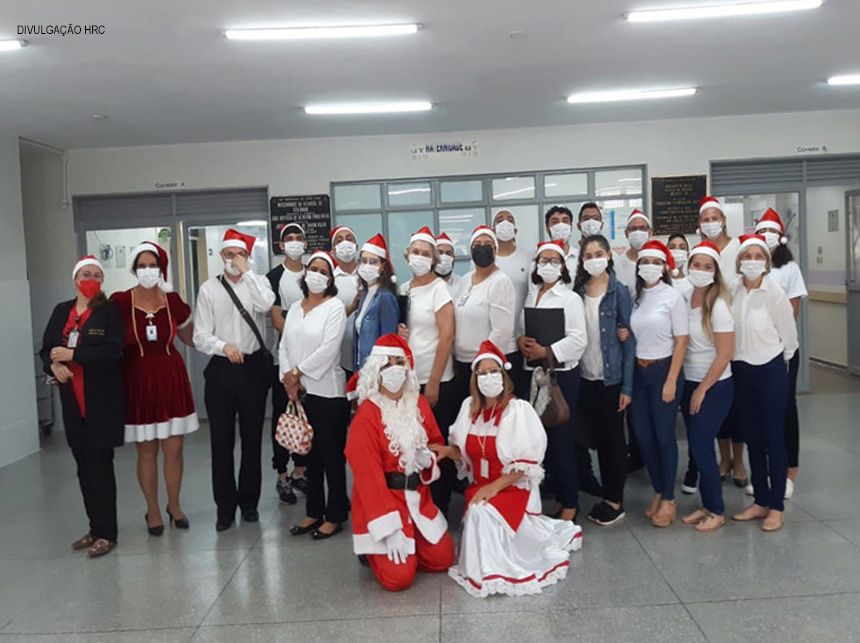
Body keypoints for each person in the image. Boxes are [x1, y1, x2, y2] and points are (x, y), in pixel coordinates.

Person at [433, 340, 583, 598]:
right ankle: (484, 566)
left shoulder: (518, 411)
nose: (488, 378)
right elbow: (466, 453)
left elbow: (526, 466)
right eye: (482, 373)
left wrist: (494, 487)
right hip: (482, 486)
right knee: (480, 508)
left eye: (494, 372)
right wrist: (448, 451)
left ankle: (496, 571)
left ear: (503, 375)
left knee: (480, 512)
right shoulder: (469, 409)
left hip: (512, 486)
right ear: (475, 379)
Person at [344, 334, 455, 591]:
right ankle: (376, 548)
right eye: (387, 364)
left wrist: (428, 457)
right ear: (376, 370)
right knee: (399, 579)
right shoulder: (367, 415)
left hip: (418, 497)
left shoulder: (419, 404)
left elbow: (436, 443)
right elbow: (367, 477)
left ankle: (412, 541)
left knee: (443, 559)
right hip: (384, 501)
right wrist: (388, 528)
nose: (394, 369)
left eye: (399, 363)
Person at [111, 242, 198, 536]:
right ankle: (153, 510)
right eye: (142, 265)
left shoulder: (173, 300)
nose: (148, 270)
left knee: (174, 449)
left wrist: (224, 341)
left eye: (153, 265)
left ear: (162, 268)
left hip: (171, 377)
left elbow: (190, 337)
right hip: (137, 379)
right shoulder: (120, 302)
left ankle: (174, 505)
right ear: (135, 268)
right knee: (146, 451)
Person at [40, 256, 124, 557]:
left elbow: (113, 352)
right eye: (85, 274)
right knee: (83, 467)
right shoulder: (61, 310)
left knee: (101, 466)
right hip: (72, 401)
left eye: (96, 274)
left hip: (101, 401)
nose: (91, 278)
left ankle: (108, 533)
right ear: (75, 278)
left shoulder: (109, 312)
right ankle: (94, 527)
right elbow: (47, 349)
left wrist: (73, 355)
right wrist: (54, 367)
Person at [193, 229, 275, 531]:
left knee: (252, 439)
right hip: (222, 368)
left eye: (238, 255)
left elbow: (266, 305)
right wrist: (222, 347)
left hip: (253, 369)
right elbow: (200, 334)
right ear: (220, 257)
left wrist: (248, 273)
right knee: (221, 441)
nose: (233, 260)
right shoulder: (209, 289)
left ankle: (249, 503)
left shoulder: (259, 283)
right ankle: (224, 508)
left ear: (247, 257)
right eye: (228, 255)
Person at [730, 234, 798, 532]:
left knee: (773, 438)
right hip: (740, 369)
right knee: (752, 437)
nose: (753, 261)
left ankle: (776, 507)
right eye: (747, 256)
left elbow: (789, 337)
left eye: (759, 256)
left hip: (770, 369)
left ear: (767, 262)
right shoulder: (732, 290)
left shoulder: (774, 293)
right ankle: (759, 500)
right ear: (739, 262)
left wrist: (777, 363)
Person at [281, 250, 351, 540]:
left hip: (328, 393)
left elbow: (329, 349)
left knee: (331, 457)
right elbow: (284, 344)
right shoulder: (296, 307)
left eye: (324, 271)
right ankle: (313, 512)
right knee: (308, 457)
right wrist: (288, 377)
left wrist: (296, 373)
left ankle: (334, 516)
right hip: (300, 393)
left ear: (331, 279)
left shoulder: (335, 307)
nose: (317, 275)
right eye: (314, 268)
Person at [518, 241, 587, 522]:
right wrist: (521, 341)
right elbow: (524, 329)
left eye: (554, 260)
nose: (548, 265)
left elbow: (579, 339)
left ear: (563, 266)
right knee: (543, 440)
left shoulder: (570, 298)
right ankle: (558, 495)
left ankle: (571, 501)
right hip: (534, 374)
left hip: (561, 376)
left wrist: (547, 352)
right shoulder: (532, 294)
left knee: (563, 440)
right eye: (543, 260)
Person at [573, 235, 635, 526]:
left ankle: (614, 499)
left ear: (609, 255)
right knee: (592, 437)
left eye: (599, 253)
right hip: (585, 376)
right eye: (588, 255)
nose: (594, 259)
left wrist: (627, 387)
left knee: (613, 441)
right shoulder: (579, 291)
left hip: (611, 379)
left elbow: (628, 340)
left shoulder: (618, 292)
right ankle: (602, 488)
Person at [629, 239, 689, 528]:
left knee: (664, 437)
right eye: (644, 262)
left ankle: (669, 497)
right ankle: (657, 488)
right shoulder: (635, 296)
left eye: (655, 262)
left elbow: (681, 340)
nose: (649, 267)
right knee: (643, 436)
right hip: (638, 375)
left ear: (664, 267)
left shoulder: (672, 297)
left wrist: (672, 379)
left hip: (664, 371)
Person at [398, 227, 457, 513]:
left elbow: (446, 336)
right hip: (408, 380)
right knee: (413, 442)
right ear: (407, 255)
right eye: (416, 252)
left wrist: (433, 382)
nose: (419, 257)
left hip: (436, 379)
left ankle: (440, 504)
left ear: (433, 259)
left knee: (435, 442)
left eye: (425, 253)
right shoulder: (404, 289)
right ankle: (418, 500)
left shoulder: (439, 289)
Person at [678, 241, 734, 532]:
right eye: (695, 265)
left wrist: (702, 389)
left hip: (714, 386)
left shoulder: (719, 305)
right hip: (688, 381)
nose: (700, 271)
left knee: (701, 445)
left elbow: (725, 354)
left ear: (715, 272)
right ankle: (707, 502)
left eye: (707, 266)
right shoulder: (685, 298)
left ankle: (717, 509)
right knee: (699, 450)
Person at [755, 208, 807, 498]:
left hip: (782, 351)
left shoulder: (789, 269)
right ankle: (763, 471)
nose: (766, 237)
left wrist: (778, 342)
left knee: (786, 408)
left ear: (781, 236)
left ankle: (789, 473)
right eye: (761, 231)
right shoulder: (754, 266)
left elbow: (793, 311)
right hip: (755, 353)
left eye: (771, 231)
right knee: (761, 411)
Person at [266, 223, 308, 505]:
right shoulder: (274, 277)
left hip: (310, 362)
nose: (294, 242)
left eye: (298, 238)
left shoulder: (314, 273)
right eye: (288, 239)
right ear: (281, 246)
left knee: (306, 417)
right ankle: (282, 474)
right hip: (282, 359)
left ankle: (300, 471)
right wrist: (301, 339)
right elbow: (277, 319)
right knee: (284, 416)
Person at [453, 225, 516, 408]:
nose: (482, 247)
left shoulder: (499, 281)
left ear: (495, 249)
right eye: (477, 244)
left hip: (483, 367)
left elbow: (502, 331)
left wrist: (485, 364)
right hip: (462, 362)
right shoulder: (465, 280)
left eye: (488, 243)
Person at [494, 210, 534, 398]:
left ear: (515, 229)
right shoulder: (487, 260)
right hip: (496, 340)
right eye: (500, 220)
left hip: (523, 339)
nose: (505, 223)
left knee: (521, 396)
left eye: (510, 219)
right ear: (493, 229)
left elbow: (534, 295)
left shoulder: (528, 257)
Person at [354, 234, 400, 371]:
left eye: (373, 262)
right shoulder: (364, 294)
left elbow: (388, 343)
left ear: (382, 267)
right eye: (364, 261)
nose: (367, 266)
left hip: (376, 372)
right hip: (361, 368)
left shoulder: (385, 297)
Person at [331, 225, 361, 377]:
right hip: (339, 358)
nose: (345, 243)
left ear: (356, 247)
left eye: (349, 239)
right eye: (339, 240)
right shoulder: (329, 282)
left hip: (367, 356)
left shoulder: (368, 274)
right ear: (334, 250)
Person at [613, 209, 652, 292]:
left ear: (650, 232)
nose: (638, 232)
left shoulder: (657, 262)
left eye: (642, 228)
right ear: (626, 233)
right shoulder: (618, 263)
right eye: (634, 229)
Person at [544, 205, 579, 273]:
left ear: (571, 227)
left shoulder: (580, 256)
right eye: (555, 222)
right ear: (547, 228)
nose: (561, 225)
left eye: (565, 221)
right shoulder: (540, 258)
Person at [434, 233, 466, 300]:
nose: (444, 257)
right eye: (440, 252)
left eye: (448, 253)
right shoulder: (424, 283)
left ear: (453, 258)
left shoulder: (463, 285)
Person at [668, 233, 693, 301]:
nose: (677, 251)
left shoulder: (692, 283)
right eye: (672, 247)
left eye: (682, 248)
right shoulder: (659, 282)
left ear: (687, 255)